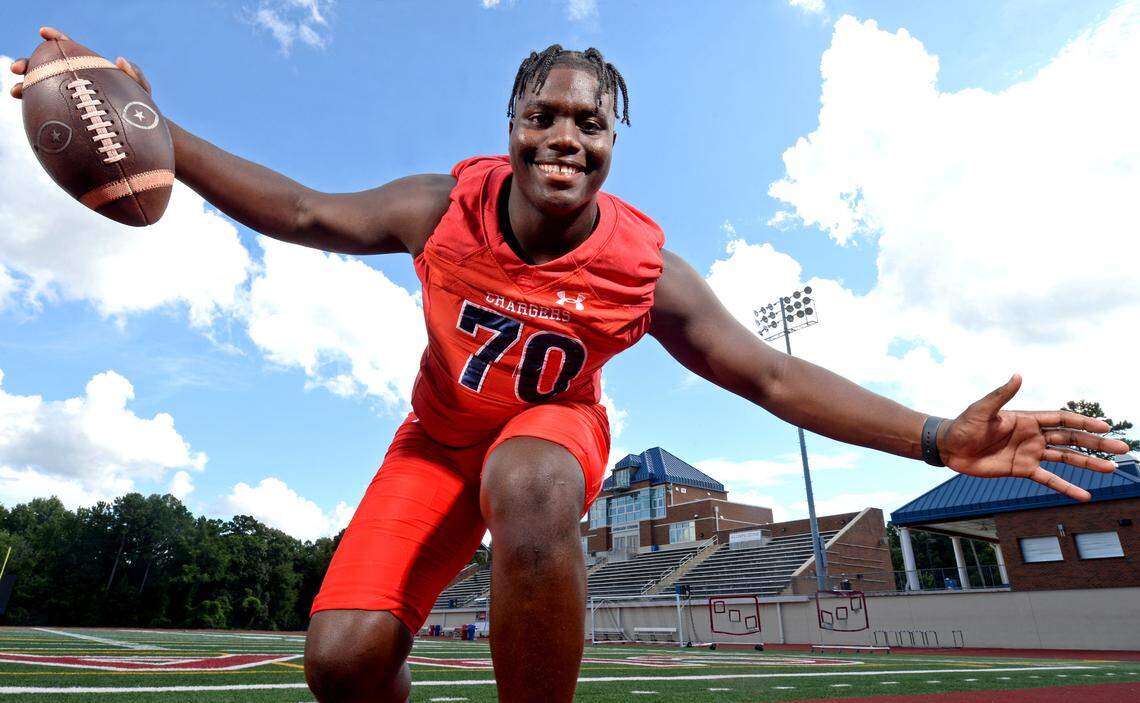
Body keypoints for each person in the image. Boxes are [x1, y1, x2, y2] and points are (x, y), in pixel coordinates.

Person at [11, 28, 1128, 703]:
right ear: (510, 123)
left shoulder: (644, 267)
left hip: (550, 438)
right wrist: (156, 126)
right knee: (342, 662)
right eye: (542, 114)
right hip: (433, 443)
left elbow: (771, 379)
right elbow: (303, 209)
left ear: (612, 141)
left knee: (533, 477)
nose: (565, 135)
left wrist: (935, 437)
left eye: (589, 123)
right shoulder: (441, 206)